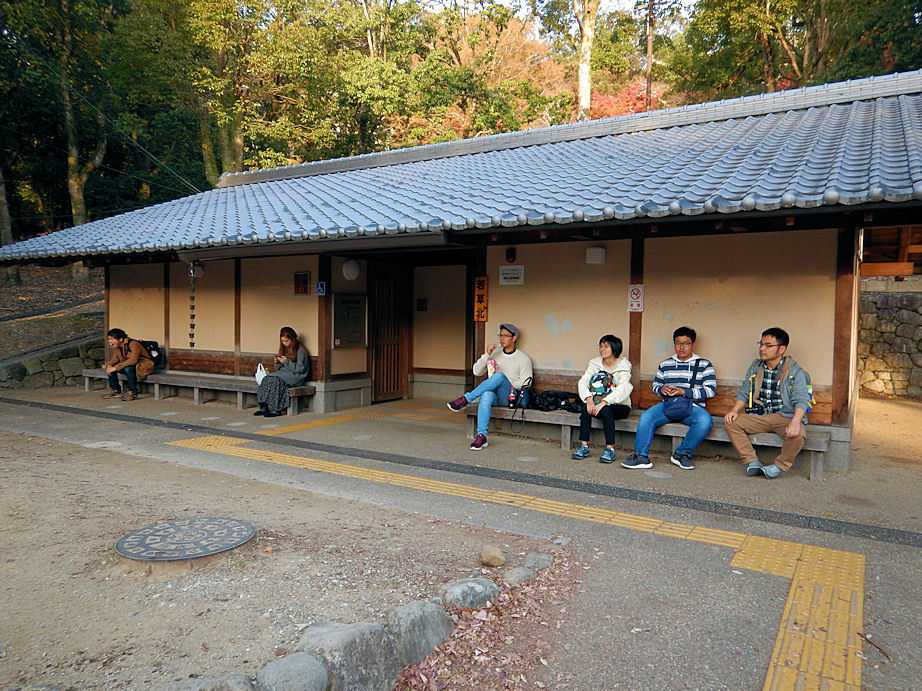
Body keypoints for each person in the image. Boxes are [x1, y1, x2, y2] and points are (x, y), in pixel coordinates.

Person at [622, 326, 717, 471]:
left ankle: (681, 454)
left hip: (693, 408)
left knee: (705, 421)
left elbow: (710, 391)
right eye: (678, 343)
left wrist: (683, 392)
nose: (682, 347)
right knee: (646, 417)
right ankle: (641, 456)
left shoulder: (704, 364)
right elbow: (656, 385)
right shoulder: (665, 364)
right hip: (668, 405)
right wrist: (661, 389)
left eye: (686, 343)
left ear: (692, 344)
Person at [724, 327, 810, 479]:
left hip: (784, 417)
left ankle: (780, 466)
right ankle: (752, 461)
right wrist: (735, 410)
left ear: (781, 349)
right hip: (760, 415)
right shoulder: (756, 367)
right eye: (761, 344)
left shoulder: (795, 372)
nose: (762, 349)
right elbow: (745, 391)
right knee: (731, 422)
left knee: (799, 435)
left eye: (768, 345)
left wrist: (796, 421)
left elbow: (801, 399)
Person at [447, 323, 533, 450]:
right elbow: (476, 371)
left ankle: (466, 399)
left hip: (510, 396)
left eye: (506, 336)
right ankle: (481, 436)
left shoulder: (523, 358)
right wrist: (487, 355)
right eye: (500, 335)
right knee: (486, 395)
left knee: (499, 376)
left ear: (514, 338)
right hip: (494, 396)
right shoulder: (495, 353)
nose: (502, 339)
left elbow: (527, 383)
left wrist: (505, 379)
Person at [571, 335, 633, 464]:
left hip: (620, 405)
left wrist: (605, 401)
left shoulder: (624, 366)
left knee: (606, 410)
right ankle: (584, 446)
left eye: (606, 346)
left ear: (614, 348)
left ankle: (610, 449)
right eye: (601, 346)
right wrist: (589, 399)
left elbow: (624, 388)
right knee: (585, 408)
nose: (602, 349)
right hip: (596, 403)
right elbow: (583, 381)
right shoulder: (595, 364)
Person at [255, 326, 311, 418]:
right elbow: (278, 369)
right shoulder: (284, 349)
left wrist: (287, 362)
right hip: (285, 373)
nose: (284, 343)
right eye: (283, 341)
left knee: (276, 380)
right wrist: (277, 362)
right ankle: (264, 406)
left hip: (297, 376)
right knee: (267, 378)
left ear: (292, 339)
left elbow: (300, 369)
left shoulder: (301, 351)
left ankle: (276, 409)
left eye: (286, 341)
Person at [103, 328, 155, 401]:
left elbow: (133, 360)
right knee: (111, 369)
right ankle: (116, 391)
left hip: (143, 367)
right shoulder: (117, 347)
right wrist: (108, 365)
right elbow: (115, 359)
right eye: (109, 339)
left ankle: (133, 392)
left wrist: (115, 367)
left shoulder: (133, 344)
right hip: (131, 367)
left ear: (120, 339)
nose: (109, 341)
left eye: (112, 339)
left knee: (128, 369)